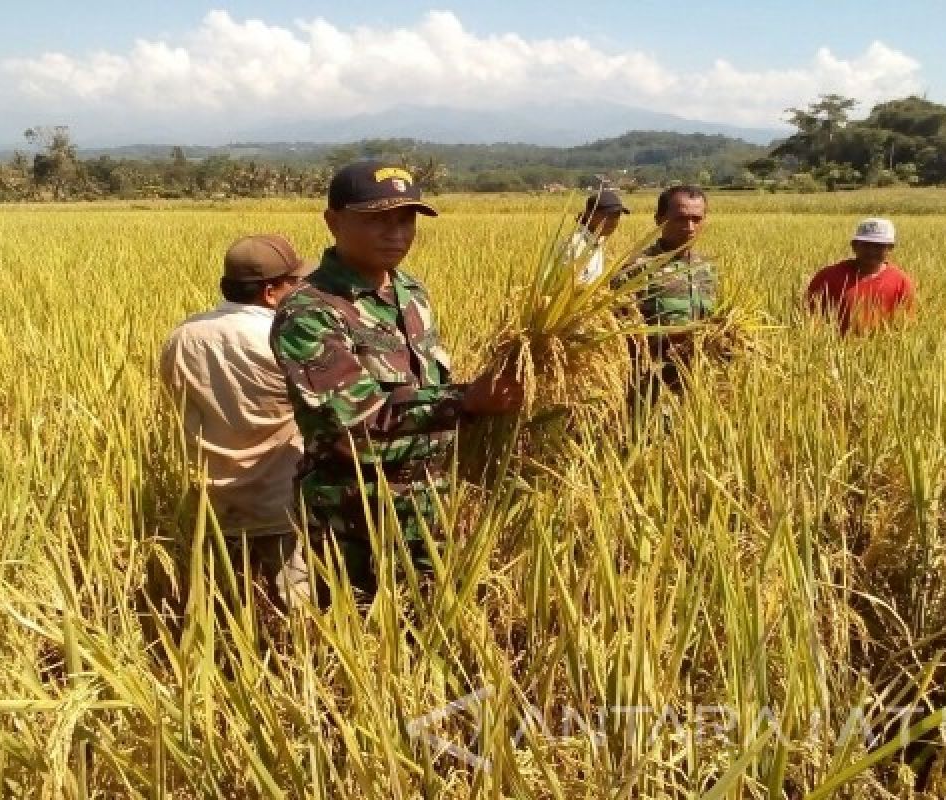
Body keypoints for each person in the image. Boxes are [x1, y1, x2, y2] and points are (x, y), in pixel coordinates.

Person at [269, 161, 523, 600]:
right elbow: (358, 422)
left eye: (405, 219)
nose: (396, 233)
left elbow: (422, 387)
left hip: (428, 505)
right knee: (360, 641)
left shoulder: (410, 292)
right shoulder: (310, 312)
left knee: (429, 632)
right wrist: (465, 402)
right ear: (333, 222)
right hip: (354, 517)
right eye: (376, 220)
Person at [160, 234, 317, 609]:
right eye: (294, 283)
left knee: (225, 606)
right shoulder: (285, 338)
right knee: (296, 612)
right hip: (280, 498)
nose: (301, 289)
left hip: (211, 502)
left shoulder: (182, 337)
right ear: (269, 292)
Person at [614, 185, 715, 394]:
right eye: (681, 218)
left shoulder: (706, 268)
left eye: (697, 219)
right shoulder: (636, 269)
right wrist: (674, 337)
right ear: (659, 220)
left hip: (697, 385)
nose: (689, 227)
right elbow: (617, 332)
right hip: (649, 387)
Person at [805, 218, 916, 335]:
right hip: (833, 350)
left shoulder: (902, 282)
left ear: (890, 248)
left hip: (882, 350)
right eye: (866, 245)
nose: (871, 251)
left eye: (879, 246)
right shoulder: (827, 277)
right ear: (854, 245)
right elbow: (809, 318)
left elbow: (905, 328)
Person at [564, 188, 630, 284]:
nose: (613, 221)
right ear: (588, 215)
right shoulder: (574, 245)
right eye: (607, 216)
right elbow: (570, 287)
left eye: (617, 216)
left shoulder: (597, 242)